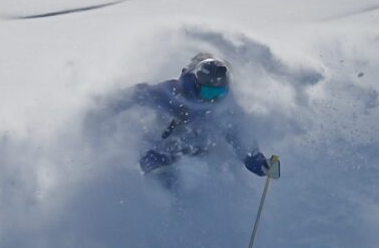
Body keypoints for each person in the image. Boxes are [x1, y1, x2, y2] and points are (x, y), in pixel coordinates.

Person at [115, 53, 271, 189]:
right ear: (197, 84)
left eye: (220, 92)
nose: (214, 98)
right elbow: (140, 94)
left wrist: (257, 161)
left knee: (187, 180)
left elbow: (239, 134)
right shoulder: (174, 93)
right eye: (209, 92)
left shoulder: (225, 108)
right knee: (150, 172)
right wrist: (111, 103)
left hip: (197, 152)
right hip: (163, 146)